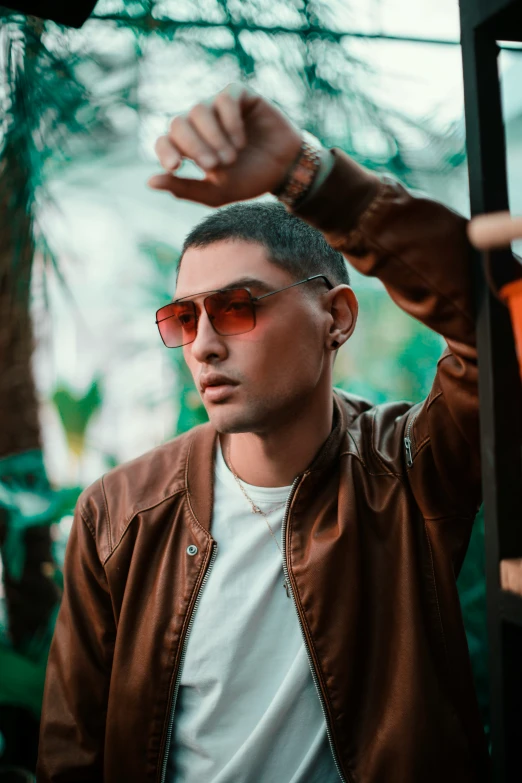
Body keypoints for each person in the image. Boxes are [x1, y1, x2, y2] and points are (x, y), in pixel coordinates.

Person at [37, 85, 490, 783]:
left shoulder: (406, 470)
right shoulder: (119, 512)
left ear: (337, 316)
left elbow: (500, 328)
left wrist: (309, 178)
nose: (204, 346)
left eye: (238, 307)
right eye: (185, 319)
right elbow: (73, 754)